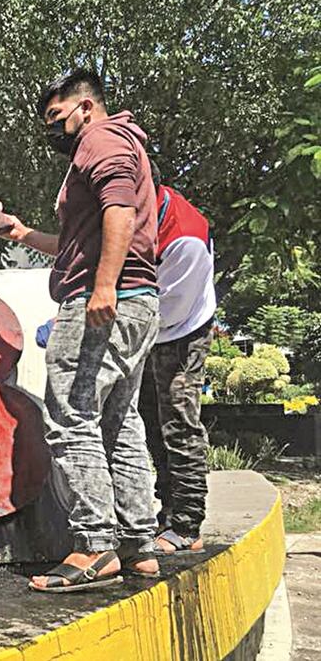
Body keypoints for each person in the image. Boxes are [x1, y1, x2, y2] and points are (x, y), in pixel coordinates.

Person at [0, 69, 161, 592]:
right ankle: (136, 543)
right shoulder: (121, 142)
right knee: (118, 423)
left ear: (85, 106)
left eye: (57, 117)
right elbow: (79, 243)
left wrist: (103, 287)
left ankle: (94, 546)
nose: (53, 130)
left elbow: (119, 213)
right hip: (136, 301)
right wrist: (18, 232)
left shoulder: (101, 140)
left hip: (105, 301)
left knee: (70, 418)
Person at [138, 162, 216, 555]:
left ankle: (187, 524)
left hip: (182, 329)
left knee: (178, 421)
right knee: (150, 421)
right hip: (148, 326)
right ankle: (166, 511)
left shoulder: (185, 237)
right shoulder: (129, 212)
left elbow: (170, 309)